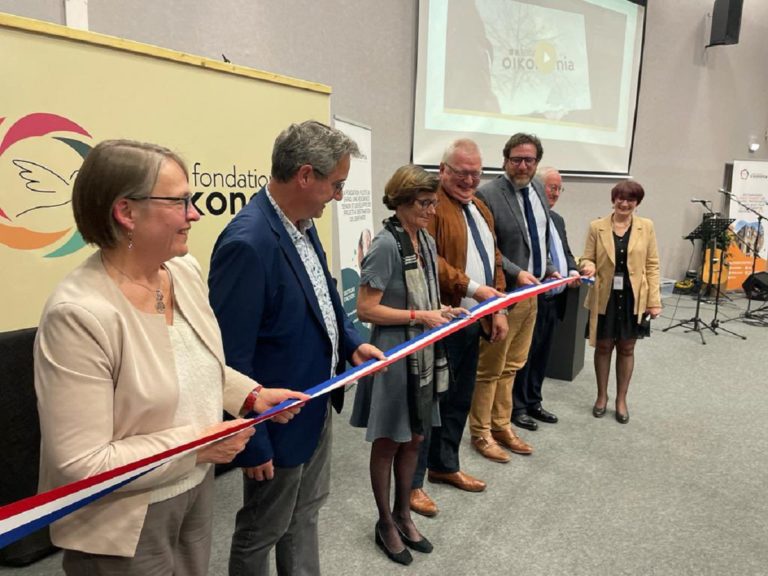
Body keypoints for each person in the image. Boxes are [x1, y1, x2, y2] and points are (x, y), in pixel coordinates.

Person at [34, 139, 307, 576]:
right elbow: (82, 464)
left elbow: (195, 363)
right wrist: (201, 446)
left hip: (194, 489)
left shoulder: (182, 270)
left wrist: (251, 395)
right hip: (123, 518)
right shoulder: (79, 315)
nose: (195, 214)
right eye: (181, 201)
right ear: (126, 213)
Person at [208, 120, 384, 576]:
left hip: (317, 401)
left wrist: (351, 346)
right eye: (336, 185)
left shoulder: (301, 224)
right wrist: (253, 441)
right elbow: (230, 360)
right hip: (275, 420)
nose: (339, 196)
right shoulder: (248, 243)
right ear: (306, 175)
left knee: (305, 514)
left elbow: (324, 297)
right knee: (262, 529)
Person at [350, 164, 457, 565]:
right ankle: (384, 521)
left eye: (434, 202)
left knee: (414, 438)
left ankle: (403, 513)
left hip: (424, 353)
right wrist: (419, 316)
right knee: (389, 440)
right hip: (393, 356)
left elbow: (424, 298)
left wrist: (439, 311)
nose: (432, 210)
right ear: (402, 202)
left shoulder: (424, 240)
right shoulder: (386, 244)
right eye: (425, 203)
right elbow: (366, 309)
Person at [423, 139, 528, 498]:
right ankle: (417, 477)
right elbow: (428, 260)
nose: (469, 180)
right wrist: (472, 288)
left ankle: (444, 466)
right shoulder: (431, 207)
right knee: (436, 400)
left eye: (475, 174)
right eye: (461, 173)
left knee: (460, 397)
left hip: (476, 319)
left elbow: (495, 259)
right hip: (445, 320)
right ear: (442, 171)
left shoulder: (480, 207)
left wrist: (497, 307)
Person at [474, 133, 560, 437]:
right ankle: (481, 432)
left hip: (533, 294)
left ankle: (501, 426)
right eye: (516, 160)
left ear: (536, 162)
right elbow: (488, 249)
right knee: (490, 371)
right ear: (505, 160)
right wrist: (517, 272)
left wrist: (547, 268)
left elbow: (538, 238)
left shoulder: (537, 186)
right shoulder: (487, 195)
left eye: (529, 160)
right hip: (504, 295)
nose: (522, 166)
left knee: (513, 366)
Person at [579, 180, 661, 424]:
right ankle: (601, 396)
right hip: (605, 296)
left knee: (627, 348)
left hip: (634, 297)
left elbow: (652, 265)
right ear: (613, 200)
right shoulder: (597, 227)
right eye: (620, 199)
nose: (625, 204)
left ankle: (621, 399)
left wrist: (654, 301)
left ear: (637, 203)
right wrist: (587, 265)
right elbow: (586, 257)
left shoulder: (646, 227)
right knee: (603, 347)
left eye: (631, 200)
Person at [510, 166, 581, 428]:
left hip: (556, 299)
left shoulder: (558, 220)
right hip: (532, 299)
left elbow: (566, 253)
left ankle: (533, 401)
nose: (555, 193)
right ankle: (516, 407)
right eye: (551, 187)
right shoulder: (526, 219)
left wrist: (574, 269)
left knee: (542, 355)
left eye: (559, 188)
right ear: (537, 188)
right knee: (523, 356)